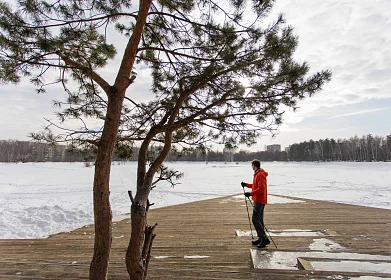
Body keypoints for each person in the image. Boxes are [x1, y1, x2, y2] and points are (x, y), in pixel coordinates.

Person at [241, 159, 270, 248]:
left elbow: (261, 189)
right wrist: (246, 185)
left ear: (255, 165)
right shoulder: (258, 174)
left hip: (260, 200)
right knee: (259, 220)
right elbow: (255, 186)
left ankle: (264, 238)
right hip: (258, 200)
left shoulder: (260, 174)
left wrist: (250, 193)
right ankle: (261, 238)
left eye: (252, 165)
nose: (251, 167)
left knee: (255, 219)